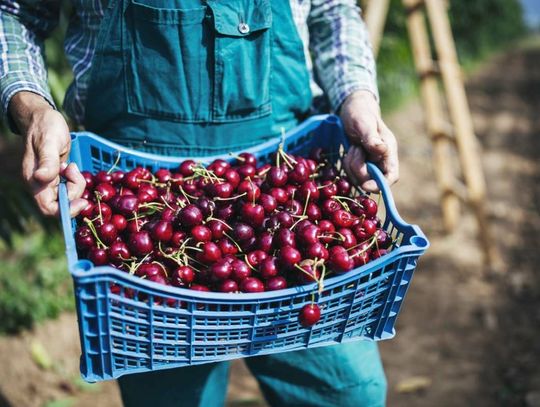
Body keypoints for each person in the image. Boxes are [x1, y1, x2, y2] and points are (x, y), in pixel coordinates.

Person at [1, 1, 398, 406]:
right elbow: (15, 13)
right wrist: (33, 109)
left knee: (347, 392)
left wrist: (357, 96)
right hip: (135, 184)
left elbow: (331, 9)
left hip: (286, 159)